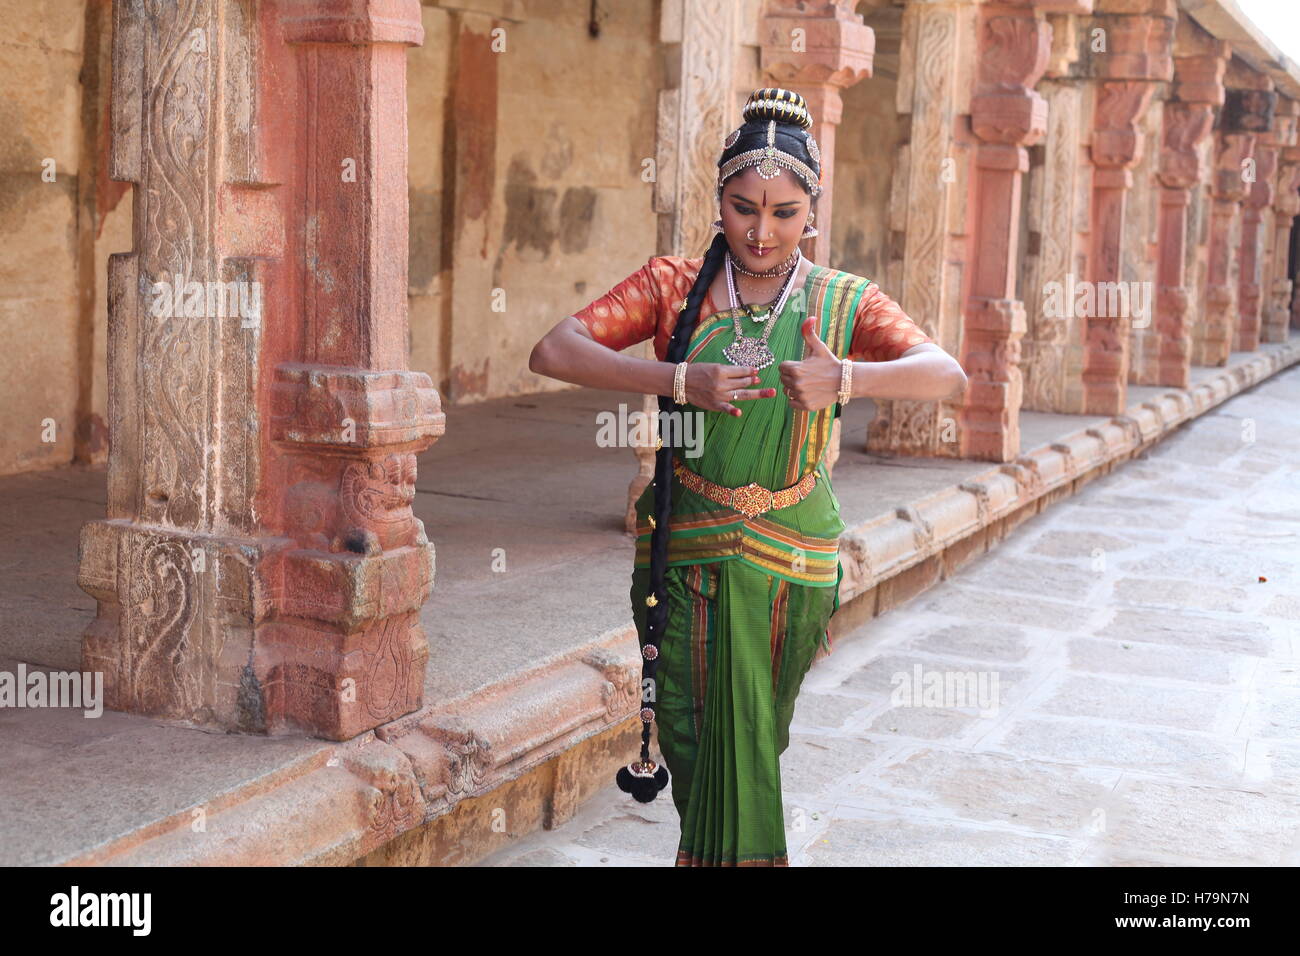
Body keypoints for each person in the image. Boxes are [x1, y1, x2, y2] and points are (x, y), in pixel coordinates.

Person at [529, 87, 967, 866]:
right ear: (719, 203)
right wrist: (675, 380)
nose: (762, 232)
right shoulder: (673, 286)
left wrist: (850, 381)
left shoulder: (842, 300)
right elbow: (555, 349)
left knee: (756, 732)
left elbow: (945, 374)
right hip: (689, 545)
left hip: (792, 557)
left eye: (785, 212)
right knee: (697, 735)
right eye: (743, 208)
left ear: (812, 212)